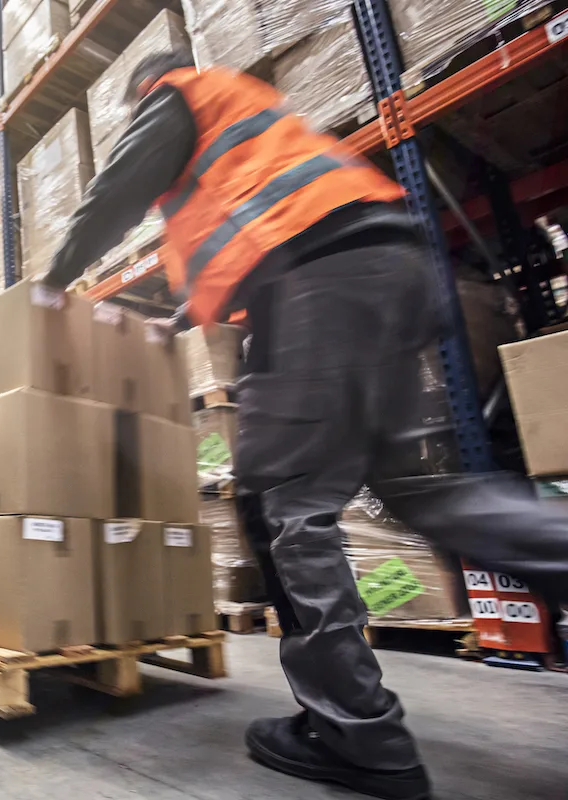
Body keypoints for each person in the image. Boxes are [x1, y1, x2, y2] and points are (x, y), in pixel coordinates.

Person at [40, 51, 568, 800]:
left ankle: (356, 734)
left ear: (140, 90)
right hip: (388, 267)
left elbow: (114, 194)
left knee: (282, 500)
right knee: (428, 496)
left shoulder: (176, 95)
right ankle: (350, 720)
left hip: (318, 281)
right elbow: (237, 235)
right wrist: (181, 319)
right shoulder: (249, 121)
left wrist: (49, 286)